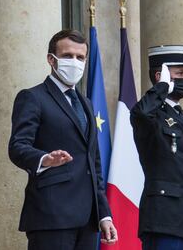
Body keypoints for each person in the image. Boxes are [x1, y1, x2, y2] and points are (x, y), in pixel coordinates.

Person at [8, 29, 117, 250]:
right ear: (51, 59)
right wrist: (45, 159)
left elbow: (93, 163)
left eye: (80, 58)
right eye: (68, 56)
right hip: (51, 217)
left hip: (87, 220)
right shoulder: (33, 97)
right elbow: (17, 147)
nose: (74, 62)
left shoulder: (86, 103)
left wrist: (104, 214)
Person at [130, 45, 183, 250]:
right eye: (180, 73)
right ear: (161, 76)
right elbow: (140, 114)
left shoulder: (180, 116)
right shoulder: (152, 114)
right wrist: (160, 88)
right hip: (163, 220)